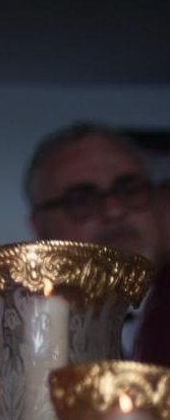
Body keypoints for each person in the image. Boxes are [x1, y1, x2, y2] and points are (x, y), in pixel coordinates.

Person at [24, 122, 169, 359]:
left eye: (129, 190)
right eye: (82, 200)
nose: (113, 211)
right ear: (41, 228)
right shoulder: (5, 324)